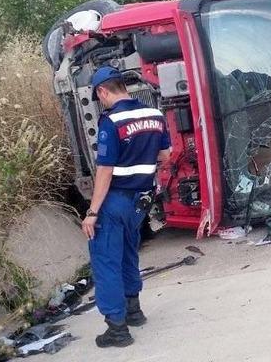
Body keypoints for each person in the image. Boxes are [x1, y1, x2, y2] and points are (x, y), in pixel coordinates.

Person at [82, 66, 171, 348]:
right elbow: (166, 155)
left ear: (102, 91)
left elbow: (105, 171)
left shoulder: (112, 121)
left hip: (116, 201)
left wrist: (92, 212)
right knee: (128, 253)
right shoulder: (154, 115)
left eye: (100, 98)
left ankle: (117, 329)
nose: (101, 103)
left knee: (106, 259)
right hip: (140, 203)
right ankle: (134, 311)